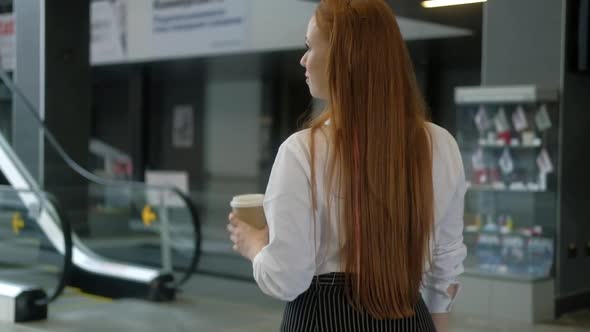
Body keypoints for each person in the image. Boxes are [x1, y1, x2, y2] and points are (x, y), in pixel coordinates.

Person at [227, 0, 467, 331]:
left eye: (310, 46)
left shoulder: (303, 151)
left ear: (345, 56)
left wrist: (254, 246)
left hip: (322, 319)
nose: (303, 59)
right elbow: (446, 264)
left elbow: (287, 277)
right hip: (410, 317)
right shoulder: (441, 145)